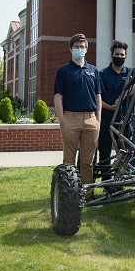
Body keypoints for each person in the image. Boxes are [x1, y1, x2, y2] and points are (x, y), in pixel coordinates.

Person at [53, 34, 102, 201]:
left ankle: (88, 194)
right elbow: (58, 96)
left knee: (88, 161)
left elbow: (98, 96)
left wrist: (98, 118)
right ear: (70, 49)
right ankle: (68, 195)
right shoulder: (63, 71)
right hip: (70, 118)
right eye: (76, 46)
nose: (79, 49)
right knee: (69, 161)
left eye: (82, 46)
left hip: (91, 119)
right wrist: (62, 119)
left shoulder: (93, 71)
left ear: (87, 49)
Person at [98, 40, 130, 180]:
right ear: (112, 55)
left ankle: (119, 181)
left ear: (126, 56)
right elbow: (97, 97)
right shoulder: (103, 74)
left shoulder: (130, 73)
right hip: (106, 118)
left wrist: (121, 97)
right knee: (104, 151)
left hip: (124, 120)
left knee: (123, 152)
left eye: (122, 55)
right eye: (117, 54)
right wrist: (109, 107)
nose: (119, 57)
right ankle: (106, 182)